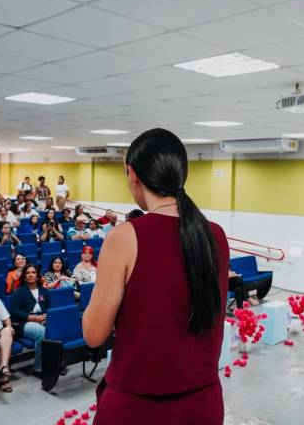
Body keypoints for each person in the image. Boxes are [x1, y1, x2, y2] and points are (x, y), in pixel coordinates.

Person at [82, 128, 229, 424]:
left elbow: (94, 334)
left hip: (140, 407)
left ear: (132, 174)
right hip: (202, 404)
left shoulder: (125, 236)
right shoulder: (214, 235)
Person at [8, 265, 48, 378]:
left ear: (37, 276)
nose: (31, 275)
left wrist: (46, 316)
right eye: (28, 273)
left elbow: (50, 307)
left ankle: (56, 362)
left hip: (42, 320)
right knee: (42, 333)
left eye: (33, 272)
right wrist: (34, 318)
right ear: (24, 277)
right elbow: (15, 312)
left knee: (57, 327)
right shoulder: (19, 292)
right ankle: (38, 368)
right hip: (23, 324)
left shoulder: (44, 291)